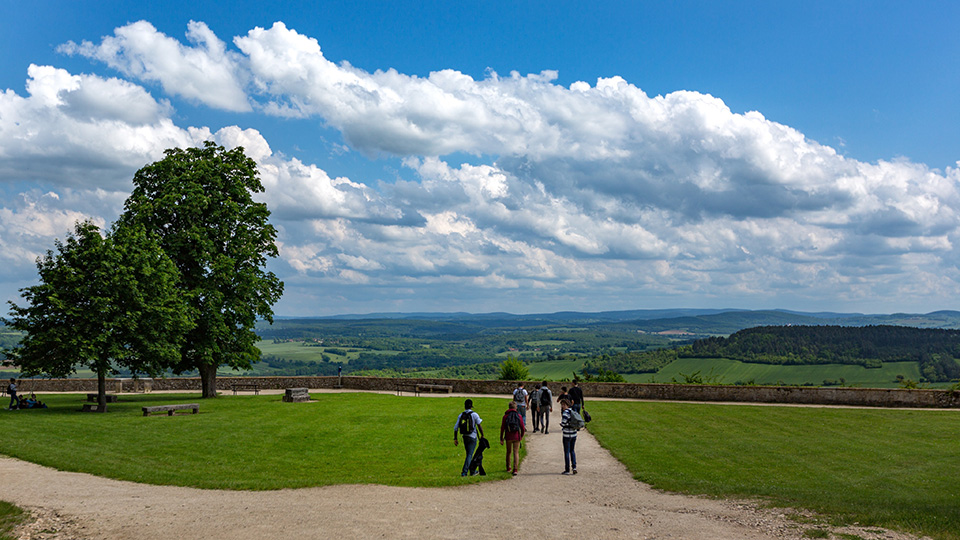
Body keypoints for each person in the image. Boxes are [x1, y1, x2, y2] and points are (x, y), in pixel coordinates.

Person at [453, 399, 484, 477]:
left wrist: (455, 438)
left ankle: (472, 470)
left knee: (468, 454)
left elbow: (456, 428)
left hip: (465, 436)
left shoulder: (461, 415)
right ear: (471, 406)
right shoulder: (474, 414)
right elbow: (479, 425)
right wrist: (482, 435)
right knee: (469, 455)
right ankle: (465, 472)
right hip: (472, 436)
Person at [499, 401, 526, 476]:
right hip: (516, 436)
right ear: (515, 407)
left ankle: (508, 467)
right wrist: (521, 436)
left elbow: (502, 428)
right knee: (516, 452)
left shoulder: (505, 416)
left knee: (508, 452)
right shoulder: (519, 416)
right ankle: (515, 469)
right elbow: (523, 428)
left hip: (508, 436)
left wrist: (501, 438)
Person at [559, 398, 579, 475]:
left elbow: (563, 423)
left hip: (567, 434)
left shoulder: (565, 413)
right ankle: (574, 467)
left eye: (563, 405)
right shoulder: (573, 411)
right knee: (572, 450)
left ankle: (567, 469)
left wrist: (562, 424)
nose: (562, 406)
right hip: (574, 434)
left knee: (566, 452)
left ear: (567, 405)